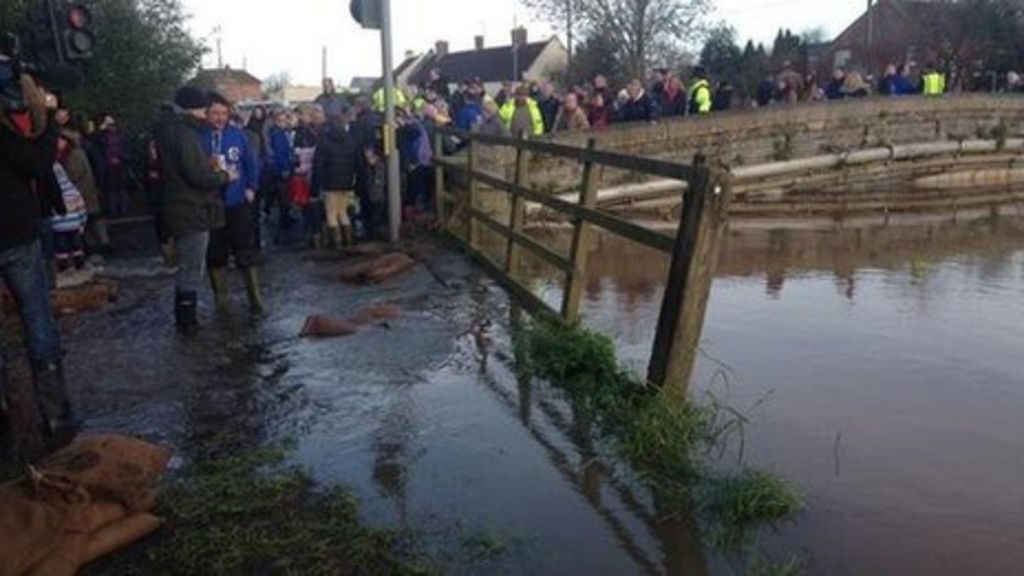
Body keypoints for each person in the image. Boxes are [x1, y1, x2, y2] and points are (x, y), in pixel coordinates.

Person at [0, 72, 73, 437]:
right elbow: (36, 164)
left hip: (14, 230)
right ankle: (55, 413)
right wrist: (47, 125)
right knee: (36, 316)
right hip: (13, 231)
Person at [155, 86, 233, 334]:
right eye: (204, 109)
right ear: (195, 108)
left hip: (179, 205)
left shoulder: (168, 129)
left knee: (188, 265)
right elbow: (196, 175)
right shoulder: (185, 133)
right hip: (190, 208)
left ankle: (186, 318)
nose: (206, 115)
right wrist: (223, 175)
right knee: (191, 267)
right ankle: (187, 322)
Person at [202, 92, 264, 314]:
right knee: (215, 253)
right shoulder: (200, 136)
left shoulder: (238, 135)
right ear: (207, 114)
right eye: (215, 113)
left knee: (245, 250)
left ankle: (255, 300)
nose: (220, 118)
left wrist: (251, 188)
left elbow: (251, 162)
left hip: (237, 201)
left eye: (224, 113)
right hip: (211, 204)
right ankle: (222, 301)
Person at [312, 111, 361, 249]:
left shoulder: (324, 141)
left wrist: (315, 187)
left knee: (331, 213)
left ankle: (337, 243)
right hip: (347, 182)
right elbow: (358, 163)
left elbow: (318, 165)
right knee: (343, 212)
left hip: (330, 183)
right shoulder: (351, 140)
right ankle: (348, 240)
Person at [56, 130, 99, 268]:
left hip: (77, 198)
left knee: (76, 237)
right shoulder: (75, 153)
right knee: (78, 236)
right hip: (78, 201)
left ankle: (85, 255)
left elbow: (74, 175)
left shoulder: (72, 155)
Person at [51, 148, 88, 273]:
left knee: (61, 248)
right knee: (77, 246)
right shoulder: (73, 192)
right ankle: (79, 264)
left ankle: (63, 266)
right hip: (74, 224)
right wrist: (82, 222)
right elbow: (82, 208)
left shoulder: (51, 194)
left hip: (58, 226)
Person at [97, 115, 129, 217]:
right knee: (112, 189)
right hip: (110, 165)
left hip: (120, 164)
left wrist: (121, 158)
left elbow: (125, 149)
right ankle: (114, 210)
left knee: (120, 188)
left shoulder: (120, 136)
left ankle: (121, 209)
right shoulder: (103, 137)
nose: (112, 127)